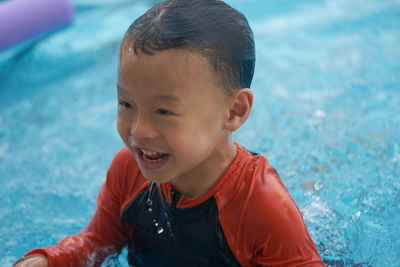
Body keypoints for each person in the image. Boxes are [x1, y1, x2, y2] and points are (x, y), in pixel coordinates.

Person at [14, 0, 325, 266]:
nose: (138, 131)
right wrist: (48, 259)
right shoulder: (128, 170)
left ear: (234, 112)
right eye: (126, 104)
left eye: (163, 111)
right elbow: (98, 242)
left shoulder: (262, 207)